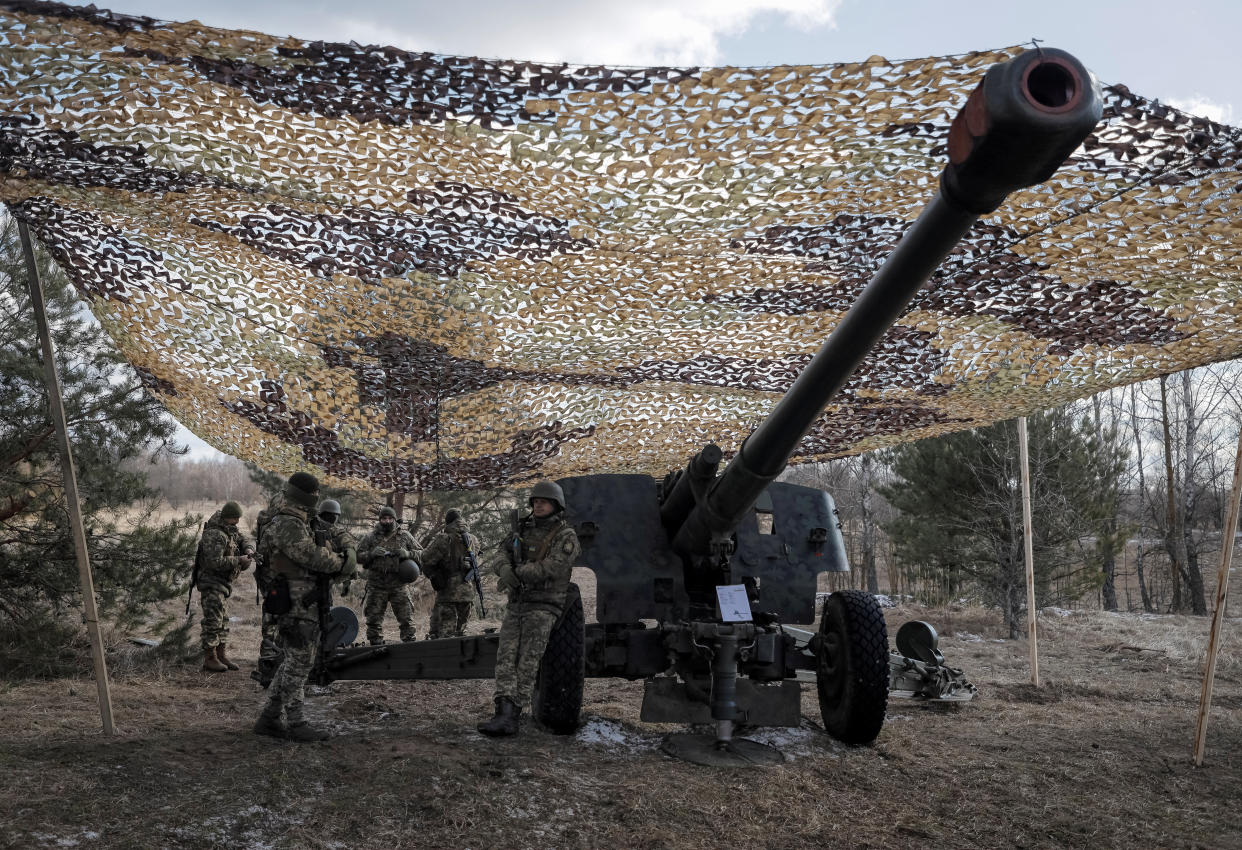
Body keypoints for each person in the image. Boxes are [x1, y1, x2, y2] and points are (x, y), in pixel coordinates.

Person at [253, 472, 354, 742]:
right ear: (304, 494)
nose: (318, 497)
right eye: (314, 493)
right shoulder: (288, 522)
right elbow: (310, 555)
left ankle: (270, 718)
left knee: (294, 662)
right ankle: (295, 723)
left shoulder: (297, 518)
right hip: (295, 602)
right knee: (300, 663)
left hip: (300, 599)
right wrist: (341, 563)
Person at [477, 481, 580, 737]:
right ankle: (503, 711)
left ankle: (514, 714)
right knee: (505, 658)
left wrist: (517, 573)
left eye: (543, 501)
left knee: (527, 660)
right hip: (519, 603)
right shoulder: (521, 528)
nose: (538, 505)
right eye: (535, 501)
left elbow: (553, 567)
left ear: (556, 504)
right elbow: (501, 553)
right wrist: (503, 569)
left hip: (544, 605)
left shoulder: (565, 535)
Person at [252, 497, 356, 688]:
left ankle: (279, 674)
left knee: (291, 636)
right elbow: (310, 555)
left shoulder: (301, 523)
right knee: (282, 634)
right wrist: (342, 562)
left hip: (290, 590)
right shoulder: (286, 526)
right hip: (283, 589)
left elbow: (338, 533)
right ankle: (273, 669)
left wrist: (349, 549)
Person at [195, 500, 254, 673]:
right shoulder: (215, 534)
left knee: (222, 620)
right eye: (234, 519)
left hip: (223, 584)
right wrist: (238, 560)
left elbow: (244, 539)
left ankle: (221, 654)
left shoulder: (229, 530)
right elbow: (214, 562)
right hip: (211, 583)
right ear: (228, 518)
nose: (237, 522)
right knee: (213, 622)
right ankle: (210, 658)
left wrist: (249, 550)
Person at [357, 506, 420, 644]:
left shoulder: (405, 536)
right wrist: (371, 554)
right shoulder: (370, 537)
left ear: (394, 519)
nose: (387, 521)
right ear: (380, 520)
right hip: (376, 585)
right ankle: (375, 646)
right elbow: (357, 556)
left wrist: (408, 554)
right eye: (384, 518)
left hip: (399, 584)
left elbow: (422, 554)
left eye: (390, 518)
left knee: (407, 620)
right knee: (373, 621)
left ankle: (410, 646)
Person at [422, 509, 480, 639]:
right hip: (468, 591)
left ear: (448, 522)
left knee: (446, 635)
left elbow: (426, 558)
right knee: (461, 633)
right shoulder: (473, 539)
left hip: (448, 592)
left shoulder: (444, 539)